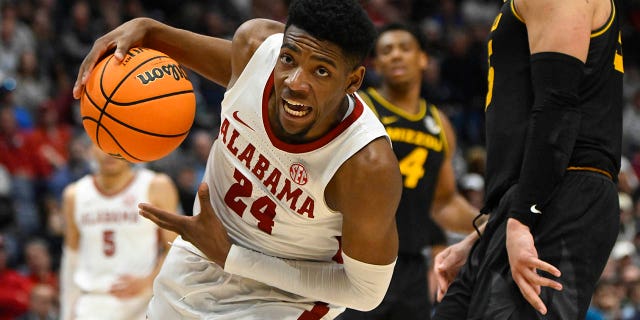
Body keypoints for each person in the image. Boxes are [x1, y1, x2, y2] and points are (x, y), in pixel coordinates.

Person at [72, 0, 403, 319]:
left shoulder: (365, 164)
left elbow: (365, 293)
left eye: (320, 71)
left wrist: (235, 258)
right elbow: (163, 39)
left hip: (286, 299)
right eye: (288, 59)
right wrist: (146, 28)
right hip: (200, 256)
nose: (295, 82)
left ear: (353, 80)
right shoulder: (255, 50)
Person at [432, 0, 624, 319]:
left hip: (561, 193)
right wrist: (486, 232)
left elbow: (558, 106)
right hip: (530, 199)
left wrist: (522, 218)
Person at [338, 23, 480, 320]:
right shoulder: (360, 107)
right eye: (386, 51)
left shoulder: (438, 122)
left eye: (405, 48)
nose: (396, 56)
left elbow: (443, 202)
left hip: (413, 266)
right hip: (357, 259)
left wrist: (488, 224)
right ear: (375, 64)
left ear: (423, 59)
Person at [59, 145, 179, 320]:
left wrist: (149, 281)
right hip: (92, 301)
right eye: (102, 145)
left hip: (143, 302)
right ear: (90, 149)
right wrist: (66, 310)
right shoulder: (75, 194)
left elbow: (175, 248)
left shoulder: (156, 186)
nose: (110, 152)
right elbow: (71, 258)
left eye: (117, 144)